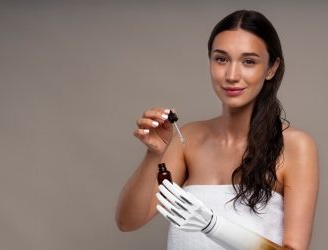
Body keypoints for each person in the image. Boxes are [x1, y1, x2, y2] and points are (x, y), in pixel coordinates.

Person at [115, 10, 318, 250]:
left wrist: (213, 226)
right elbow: (128, 221)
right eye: (221, 59)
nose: (232, 75)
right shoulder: (187, 139)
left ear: (271, 68)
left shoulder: (295, 146)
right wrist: (154, 154)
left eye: (249, 62)